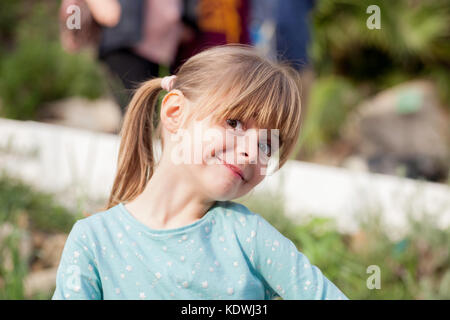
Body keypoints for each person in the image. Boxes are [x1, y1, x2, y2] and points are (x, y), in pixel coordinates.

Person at [52, 44, 348, 300]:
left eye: (267, 145)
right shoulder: (94, 241)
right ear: (174, 114)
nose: (251, 151)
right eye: (234, 123)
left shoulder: (250, 238)